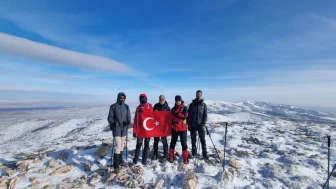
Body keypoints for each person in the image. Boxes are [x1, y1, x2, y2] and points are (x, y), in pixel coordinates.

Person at [107, 92, 131, 173]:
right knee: (117, 146)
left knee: (122, 146)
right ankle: (116, 165)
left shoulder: (126, 107)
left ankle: (120, 161)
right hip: (116, 129)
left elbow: (129, 117)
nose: (122, 99)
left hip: (124, 129)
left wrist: (128, 122)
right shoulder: (113, 106)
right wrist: (113, 122)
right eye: (121, 98)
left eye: (124, 98)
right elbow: (110, 117)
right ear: (118, 97)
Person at [187, 90, 209, 160]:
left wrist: (203, 123)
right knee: (193, 140)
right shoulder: (192, 104)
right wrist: (189, 124)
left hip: (201, 125)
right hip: (193, 125)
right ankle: (194, 152)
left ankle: (204, 153)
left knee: (202, 140)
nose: (199, 95)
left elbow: (205, 115)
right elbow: (189, 115)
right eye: (198, 94)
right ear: (196, 95)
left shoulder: (203, 105)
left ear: (201, 95)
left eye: (200, 94)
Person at [133, 93, 153, 165]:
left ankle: (144, 159)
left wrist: (143, 110)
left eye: (144, 98)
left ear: (146, 98)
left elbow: (151, 115)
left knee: (146, 145)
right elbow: (136, 120)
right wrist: (134, 130)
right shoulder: (138, 108)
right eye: (141, 98)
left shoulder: (149, 106)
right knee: (138, 144)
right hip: (140, 130)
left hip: (147, 129)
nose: (143, 99)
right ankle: (135, 159)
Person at [169, 95, 189, 164]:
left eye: (179, 101)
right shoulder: (173, 109)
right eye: (177, 101)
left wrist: (177, 114)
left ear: (181, 101)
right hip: (175, 128)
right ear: (175, 101)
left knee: (184, 143)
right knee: (172, 143)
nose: (178, 102)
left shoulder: (184, 108)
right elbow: (171, 119)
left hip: (183, 128)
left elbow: (185, 116)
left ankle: (185, 158)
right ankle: (171, 157)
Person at [152, 95, 170, 161]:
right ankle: (155, 154)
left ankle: (165, 155)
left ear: (164, 100)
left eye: (162, 99)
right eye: (160, 99)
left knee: (164, 141)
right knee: (156, 141)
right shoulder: (156, 106)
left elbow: (169, 118)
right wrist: (154, 113)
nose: (161, 101)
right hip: (156, 127)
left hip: (163, 127)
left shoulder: (167, 108)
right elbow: (152, 115)